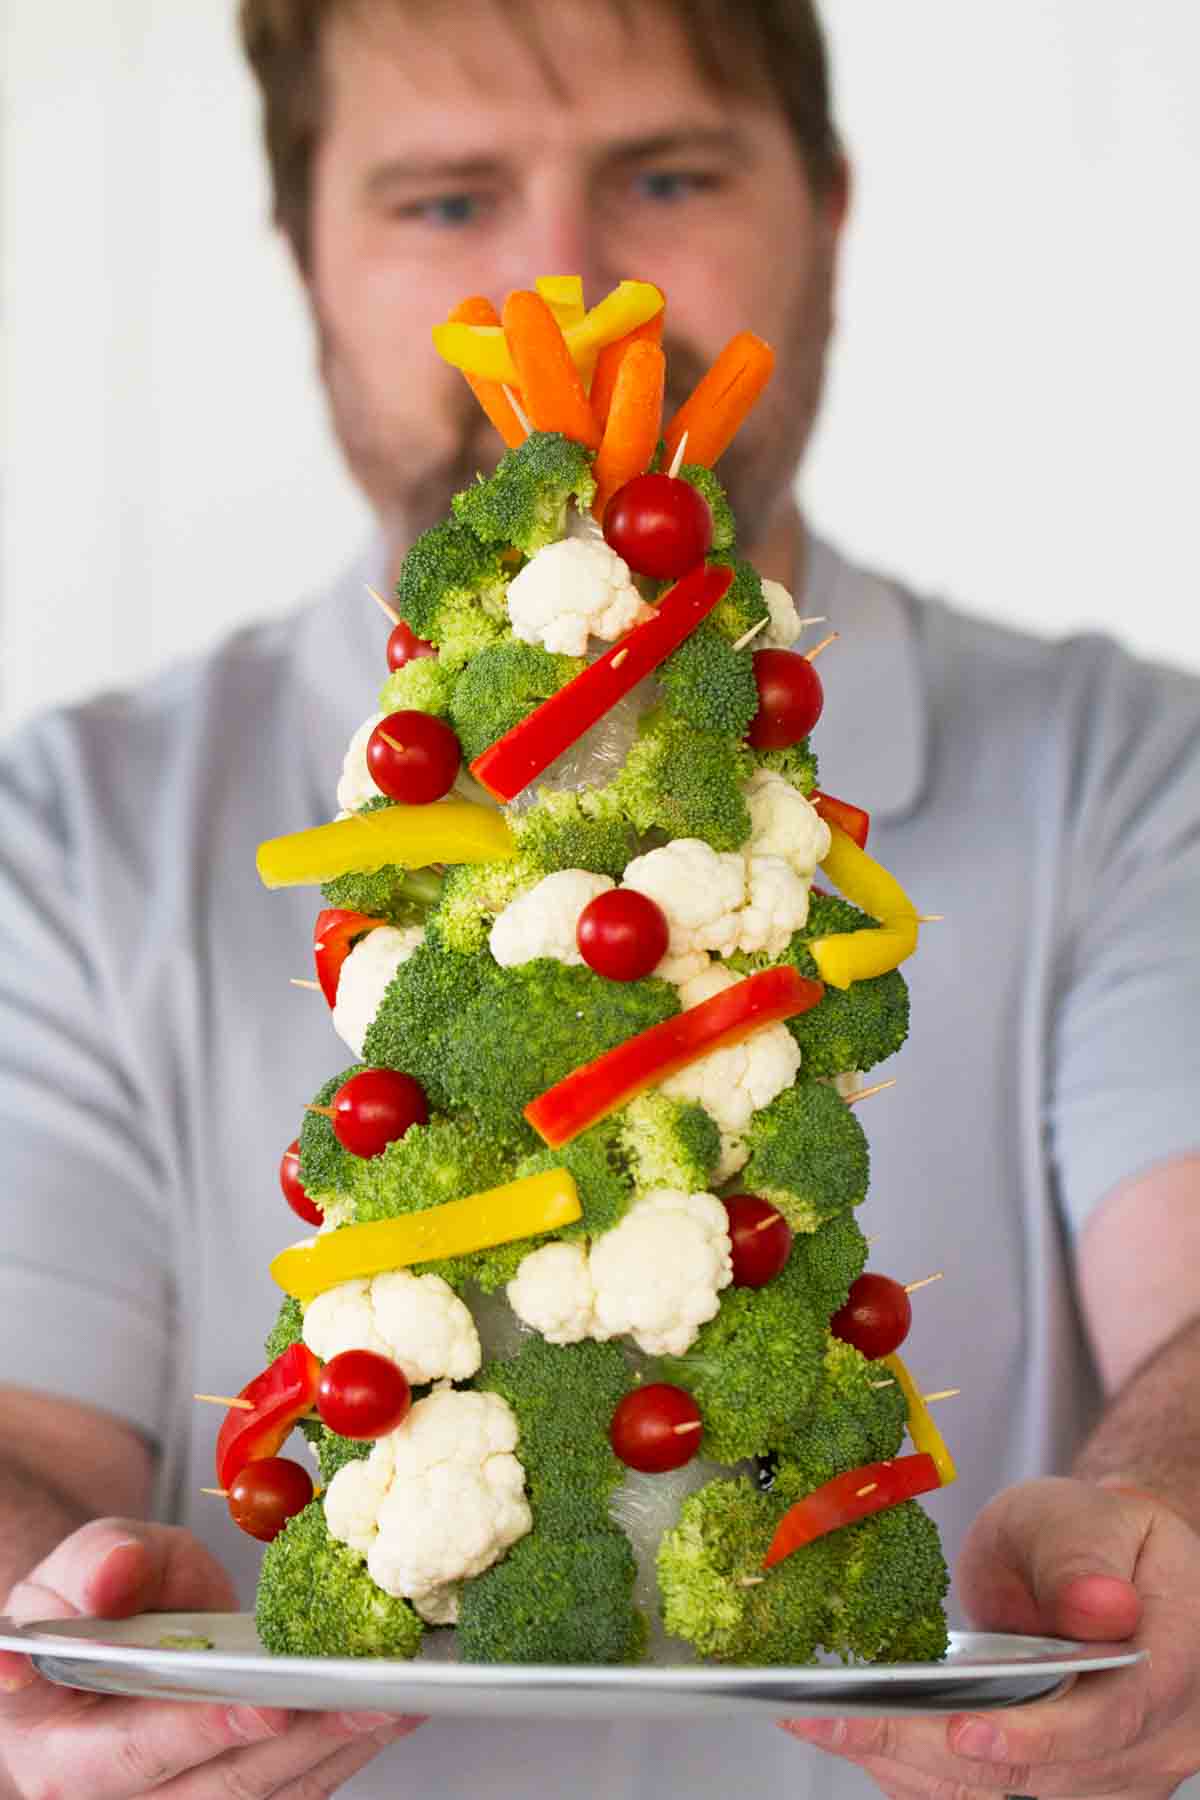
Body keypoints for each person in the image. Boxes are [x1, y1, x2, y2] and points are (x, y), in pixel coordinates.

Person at [1, 1, 1199, 1795]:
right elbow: (23, 1426)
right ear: (305, 255)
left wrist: (1169, 1523)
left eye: (664, 173)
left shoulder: (1133, 774)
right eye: (445, 202)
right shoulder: (68, 829)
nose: (565, 295)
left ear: (831, 211)